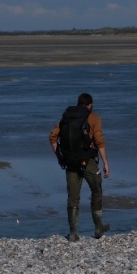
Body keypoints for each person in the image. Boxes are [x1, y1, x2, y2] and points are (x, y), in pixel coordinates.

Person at [49, 92, 111, 241]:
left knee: (73, 198)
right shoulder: (94, 118)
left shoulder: (66, 117)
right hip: (88, 161)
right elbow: (99, 141)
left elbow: (52, 137)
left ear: (78, 103)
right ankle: (98, 228)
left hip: (70, 162)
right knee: (96, 190)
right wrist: (105, 163)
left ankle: (73, 233)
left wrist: (60, 158)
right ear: (90, 105)